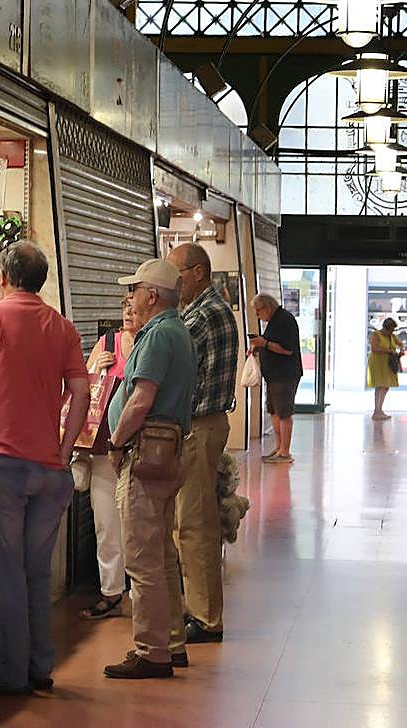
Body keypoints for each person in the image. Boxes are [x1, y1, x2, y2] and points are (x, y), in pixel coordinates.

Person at [0, 241, 91, 695]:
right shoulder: (62, 327)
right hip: (49, 471)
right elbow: (81, 393)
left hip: (0, 467)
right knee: (35, 573)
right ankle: (38, 667)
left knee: (6, 574)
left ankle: (10, 676)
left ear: (3, 277)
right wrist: (65, 448)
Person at [103, 259, 197, 680]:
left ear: (152, 295)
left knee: (142, 559)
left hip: (145, 455)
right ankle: (171, 642)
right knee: (161, 553)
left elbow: (141, 399)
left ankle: (151, 651)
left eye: (135, 289)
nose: (130, 297)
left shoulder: (158, 336)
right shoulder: (179, 331)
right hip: (168, 452)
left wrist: (117, 442)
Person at [167, 242, 239, 644]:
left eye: (178, 273)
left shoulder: (203, 314)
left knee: (193, 524)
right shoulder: (206, 309)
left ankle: (206, 616)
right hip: (204, 425)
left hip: (199, 427)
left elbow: (170, 353)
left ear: (198, 272)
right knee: (191, 521)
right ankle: (200, 608)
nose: (174, 282)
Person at [78, 298, 137, 621]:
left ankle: (139, 589)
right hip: (104, 446)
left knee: (139, 522)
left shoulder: (151, 343)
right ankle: (111, 591)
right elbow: (86, 391)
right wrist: (94, 368)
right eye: (124, 306)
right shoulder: (107, 343)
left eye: (133, 306)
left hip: (138, 447)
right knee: (105, 522)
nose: (128, 312)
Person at [250, 293, 303, 464]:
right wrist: (258, 347)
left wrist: (264, 344)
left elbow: (287, 349)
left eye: (258, 311)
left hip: (284, 375)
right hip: (273, 376)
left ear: (267, 306)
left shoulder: (284, 320)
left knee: (284, 413)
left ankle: (285, 451)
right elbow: (271, 344)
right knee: (274, 411)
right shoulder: (274, 321)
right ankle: (279, 447)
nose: (258, 315)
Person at [367, 317, 404, 421]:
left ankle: (379, 410)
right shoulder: (376, 335)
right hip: (378, 363)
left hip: (387, 364)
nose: (392, 332)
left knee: (385, 386)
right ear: (385, 328)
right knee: (380, 386)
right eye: (391, 330)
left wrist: (401, 349)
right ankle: (377, 411)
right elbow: (375, 349)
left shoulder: (392, 336)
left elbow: (400, 344)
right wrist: (389, 351)